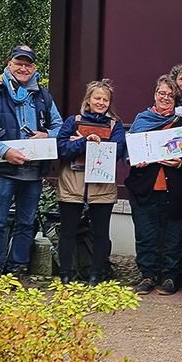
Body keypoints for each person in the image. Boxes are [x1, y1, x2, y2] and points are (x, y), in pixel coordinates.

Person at [0, 44, 63, 280]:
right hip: (2, 169)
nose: (23, 68)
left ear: (34, 68)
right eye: (18, 63)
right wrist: (4, 150)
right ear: (9, 64)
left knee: (26, 223)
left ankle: (17, 270)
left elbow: (60, 127)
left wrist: (47, 134)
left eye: (28, 64)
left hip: (33, 172)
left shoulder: (43, 95)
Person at [125, 75, 182, 296]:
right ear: (155, 95)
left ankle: (171, 277)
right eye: (161, 93)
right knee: (146, 235)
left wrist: (179, 164)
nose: (165, 98)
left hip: (175, 190)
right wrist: (134, 159)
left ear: (176, 99)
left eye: (170, 95)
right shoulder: (141, 121)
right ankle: (147, 275)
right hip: (145, 188)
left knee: (175, 235)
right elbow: (129, 153)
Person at [55, 79, 126, 285]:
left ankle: (96, 274)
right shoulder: (72, 121)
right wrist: (83, 141)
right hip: (72, 184)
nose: (101, 102)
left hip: (102, 187)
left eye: (105, 99)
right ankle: (65, 275)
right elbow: (62, 149)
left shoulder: (115, 124)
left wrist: (96, 142)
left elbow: (118, 151)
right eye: (97, 98)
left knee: (101, 233)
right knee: (67, 231)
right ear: (88, 99)